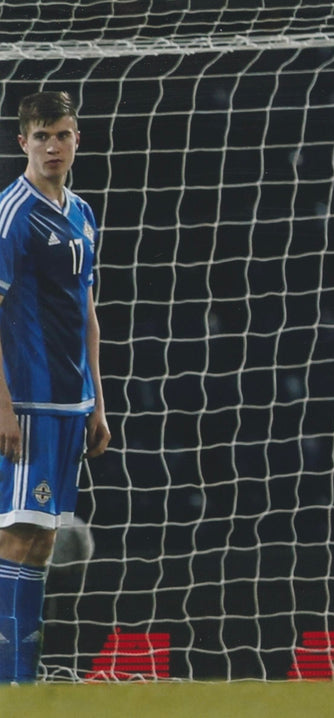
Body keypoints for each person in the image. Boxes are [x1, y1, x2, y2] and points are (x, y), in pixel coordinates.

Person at [0, 91, 110, 683]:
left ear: (76, 140)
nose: (52, 146)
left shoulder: (83, 213)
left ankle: (22, 678)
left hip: (71, 403)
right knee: (16, 537)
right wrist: (3, 408)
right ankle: (10, 681)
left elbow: (88, 314)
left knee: (40, 544)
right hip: (27, 402)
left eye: (62, 134)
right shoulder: (12, 212)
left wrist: (98, 402)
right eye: (41, 135)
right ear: (23, 142)